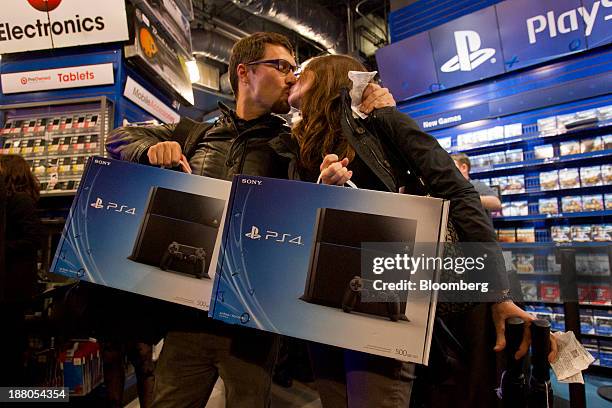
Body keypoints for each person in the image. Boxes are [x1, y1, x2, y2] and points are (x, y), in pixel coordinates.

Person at [106, 32, 394, 407]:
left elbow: (343, 177)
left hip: (254, 319)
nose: (292, 77)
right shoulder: (197, 133)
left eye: (295, 69)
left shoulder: (297, 144)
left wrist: (375, 109)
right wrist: (150, 149)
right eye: (282, 66)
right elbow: (117, 139)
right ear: (245, 72)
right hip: (186, 315)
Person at [287, 54, 557, 407]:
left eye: (301, 70)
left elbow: (459, 193)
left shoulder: (381, 123)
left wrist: (498, 291)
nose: (293, 76)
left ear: (326, 77)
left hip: (386, 300)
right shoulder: (298, 144)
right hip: (325, 306)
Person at [0, 155, 43, 386]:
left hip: (13, 289)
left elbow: (33, 238)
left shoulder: (20, 202)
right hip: (12, 288)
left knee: (11, 347)